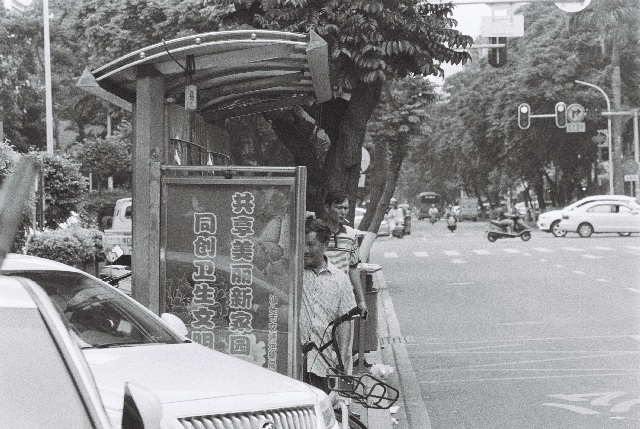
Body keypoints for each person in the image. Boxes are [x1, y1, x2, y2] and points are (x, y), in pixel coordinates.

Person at [300, 218, 357, 394]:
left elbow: (345, 321)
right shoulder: (294, 274)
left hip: (323, 362)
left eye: (311, 244)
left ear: (325, 245)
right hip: (294, 361)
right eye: (302, 244)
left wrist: (342, 360)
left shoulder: (340, 279)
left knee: (323, 405)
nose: (305, 250)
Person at [322, 190, 367, 319]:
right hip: (321, 294)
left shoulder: (351, 235)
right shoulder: (317, 233)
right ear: (327, 208)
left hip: (344, 294)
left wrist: (361, 301)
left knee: (345, 330)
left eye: (346, 208)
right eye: (338, 208)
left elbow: (353, 269)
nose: (343, 212)